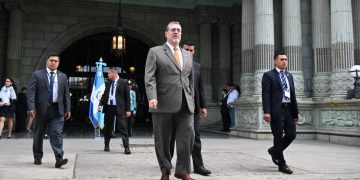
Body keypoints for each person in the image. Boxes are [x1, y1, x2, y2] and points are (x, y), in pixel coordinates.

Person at [145, 21, 195, 180]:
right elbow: (149, 77)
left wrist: (192, 99)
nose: (176, 33)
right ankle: (165, 171)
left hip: (186, 104)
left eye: (179, 30)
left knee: (187, 137)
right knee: (163, 140)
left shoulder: (187, 55)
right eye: (173, 30)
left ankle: (182, 170)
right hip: (162, 103)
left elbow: (190, 80)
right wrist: (152, 97)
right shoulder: (155, 51)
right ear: (166, 34)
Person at [27, 53, 71, 168]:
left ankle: (59, 158)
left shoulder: (63, 76)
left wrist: (68, 109)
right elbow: (31, 92)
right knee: (38, 134)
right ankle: (37, 157)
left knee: (56, 134)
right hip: (41, 110)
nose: (53, 62)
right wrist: (31, 107)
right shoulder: (37, 75)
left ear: (58, 63)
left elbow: (66, 94)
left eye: (56, 61)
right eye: (51, 60)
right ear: (47, 61)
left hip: (58, 110)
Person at [175, 41, 211, 176]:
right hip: (175, 106)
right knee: (173, 137)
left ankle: (198, 166)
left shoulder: (197, 67)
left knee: (195, 137)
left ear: (194, 52)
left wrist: (203, 106)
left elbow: (200, 88)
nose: (189, 52)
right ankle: (169, 164)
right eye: (186, 50)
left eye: (191, 50)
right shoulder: (174, 64)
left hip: (193, 108)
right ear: (181, 50)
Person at [262, 51, 299, 174]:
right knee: (278, 137)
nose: (285, 62)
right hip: (276, 110)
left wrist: (295, 112)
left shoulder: (289, 76)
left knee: (291, 134)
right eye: (282, 59)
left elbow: (292, 95)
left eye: (286, 60)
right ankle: (282, 164)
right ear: (275, 61)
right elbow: (266, 94)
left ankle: (274, 151)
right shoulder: (268, 75)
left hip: (288, 109)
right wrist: (266, 111)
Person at [98, 67, 131, 154]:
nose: (107, 75)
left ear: (113, 73)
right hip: (109, 107)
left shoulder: (123, 82)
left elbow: (127, 97)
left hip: (120, 108)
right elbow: (104, 95)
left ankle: (126, 147)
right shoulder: (108, 83)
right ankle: (106, 145)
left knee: (123, 127)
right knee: (107, 127)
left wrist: (128, 110)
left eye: (108, 73)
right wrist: (100, 104)